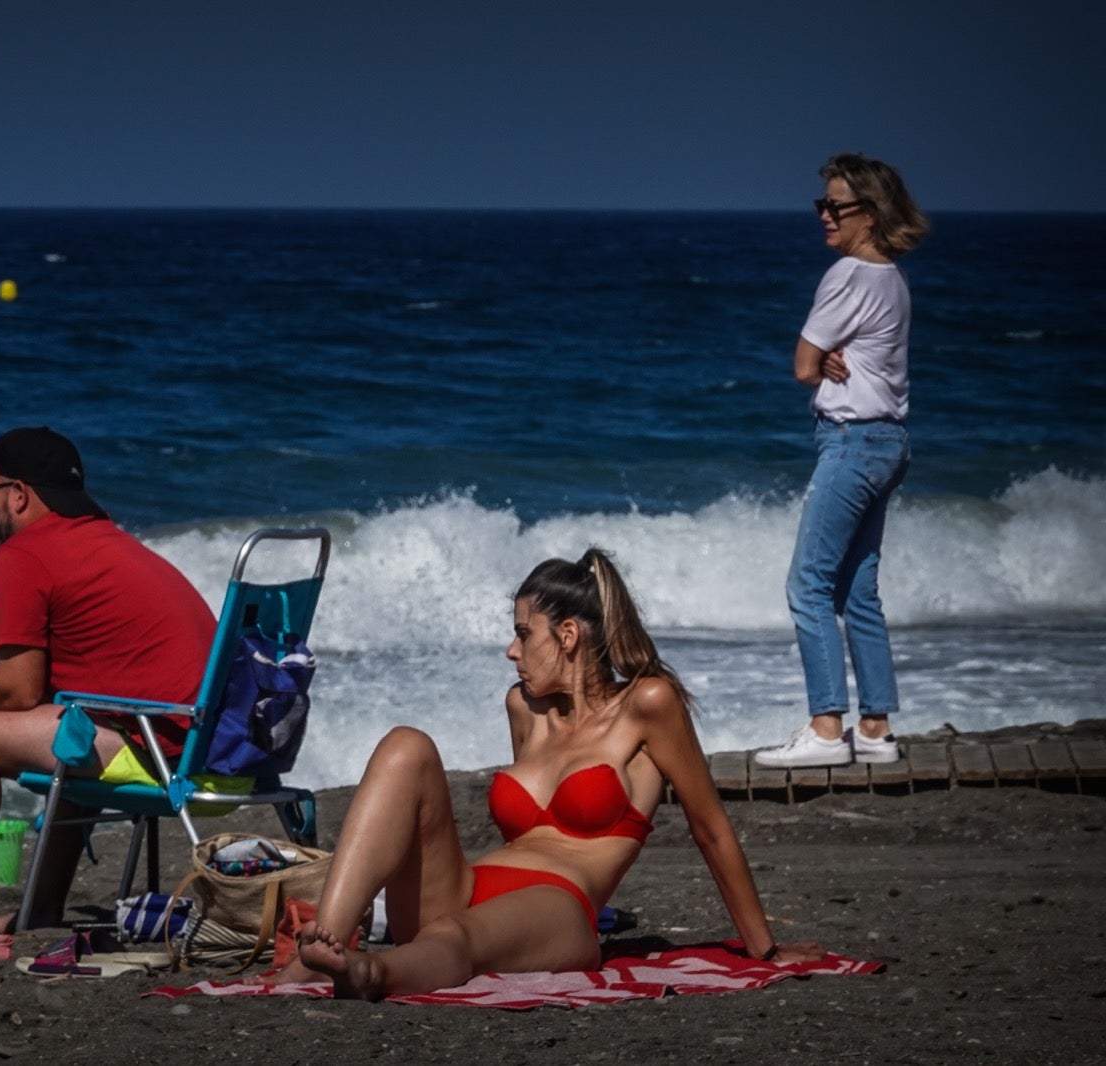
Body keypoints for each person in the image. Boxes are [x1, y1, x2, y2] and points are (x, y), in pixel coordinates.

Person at [265, 551, 821, 1000]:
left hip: (557, 909)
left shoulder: (648, 705)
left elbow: (711, 828)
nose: (512, 650)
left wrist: (764, 951)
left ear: (569, 635)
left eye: (523, 633)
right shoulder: (524, 710)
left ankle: (373, 976)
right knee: (405, 745)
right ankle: (322, 947)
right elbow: (523, 836)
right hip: (465, 889)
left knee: (456, 936)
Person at [0, 427, 216, 937]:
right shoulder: (106, 542)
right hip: (202, 740)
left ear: (18, 494)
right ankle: (40, 910)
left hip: (158, 749)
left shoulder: (25, 554)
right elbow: (46, 678)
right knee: (70, 728)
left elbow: (18, 692)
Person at [756, 154, 930, 770]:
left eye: (837, 206)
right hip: (889, 442)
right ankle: (876, 729)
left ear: (872, 214)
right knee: (857, 590)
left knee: (807, 584)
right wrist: (829, 354)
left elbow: (803, 366)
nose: (825, 215)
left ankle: (827, 728)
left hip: (853, 441)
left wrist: (822, 356)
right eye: (821, 205)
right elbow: (827, 358)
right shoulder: (891, 279)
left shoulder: (849, 275)